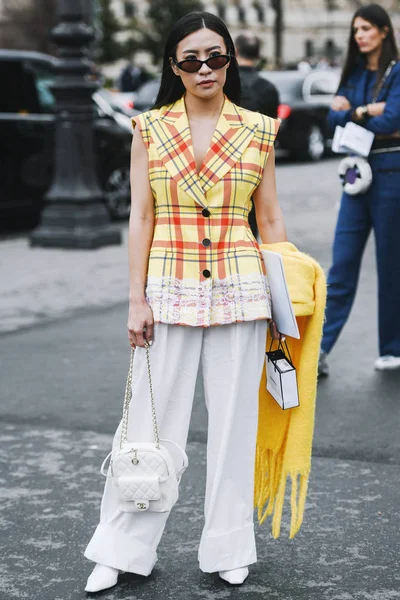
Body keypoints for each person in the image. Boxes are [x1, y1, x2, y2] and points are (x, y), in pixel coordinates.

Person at [84, 11, 286, 593]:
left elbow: (269, 218)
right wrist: (133, 300)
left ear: (231, 61)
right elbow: (140, 216)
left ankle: (228, 544)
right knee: (146, 424)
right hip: (167, 288)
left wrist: (286, 301)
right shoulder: (148, 128)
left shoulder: (259, 130)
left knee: (234, 426)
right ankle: (122, 548)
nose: (205, 68)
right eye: (192, 59)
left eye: (216, 57)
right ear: (173, 65)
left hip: (241, 287)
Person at [319, 3, 400, 376]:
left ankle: (392, 348)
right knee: (342, 263)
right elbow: (332, 119)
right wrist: (366, 112)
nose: (360, 35)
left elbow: (395, 118)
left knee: (391, 263)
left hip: (391, 171)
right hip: (355, 173)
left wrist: (354, 111)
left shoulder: (397, 71)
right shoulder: (352, 73)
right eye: (356, 30)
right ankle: (317, 350)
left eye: (366, 28)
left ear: (384, 30)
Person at [235, 33, 280, 239]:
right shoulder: (268, 88)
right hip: (257, 159)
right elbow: (272, 128)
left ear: (235, 51)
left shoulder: (227, 84)